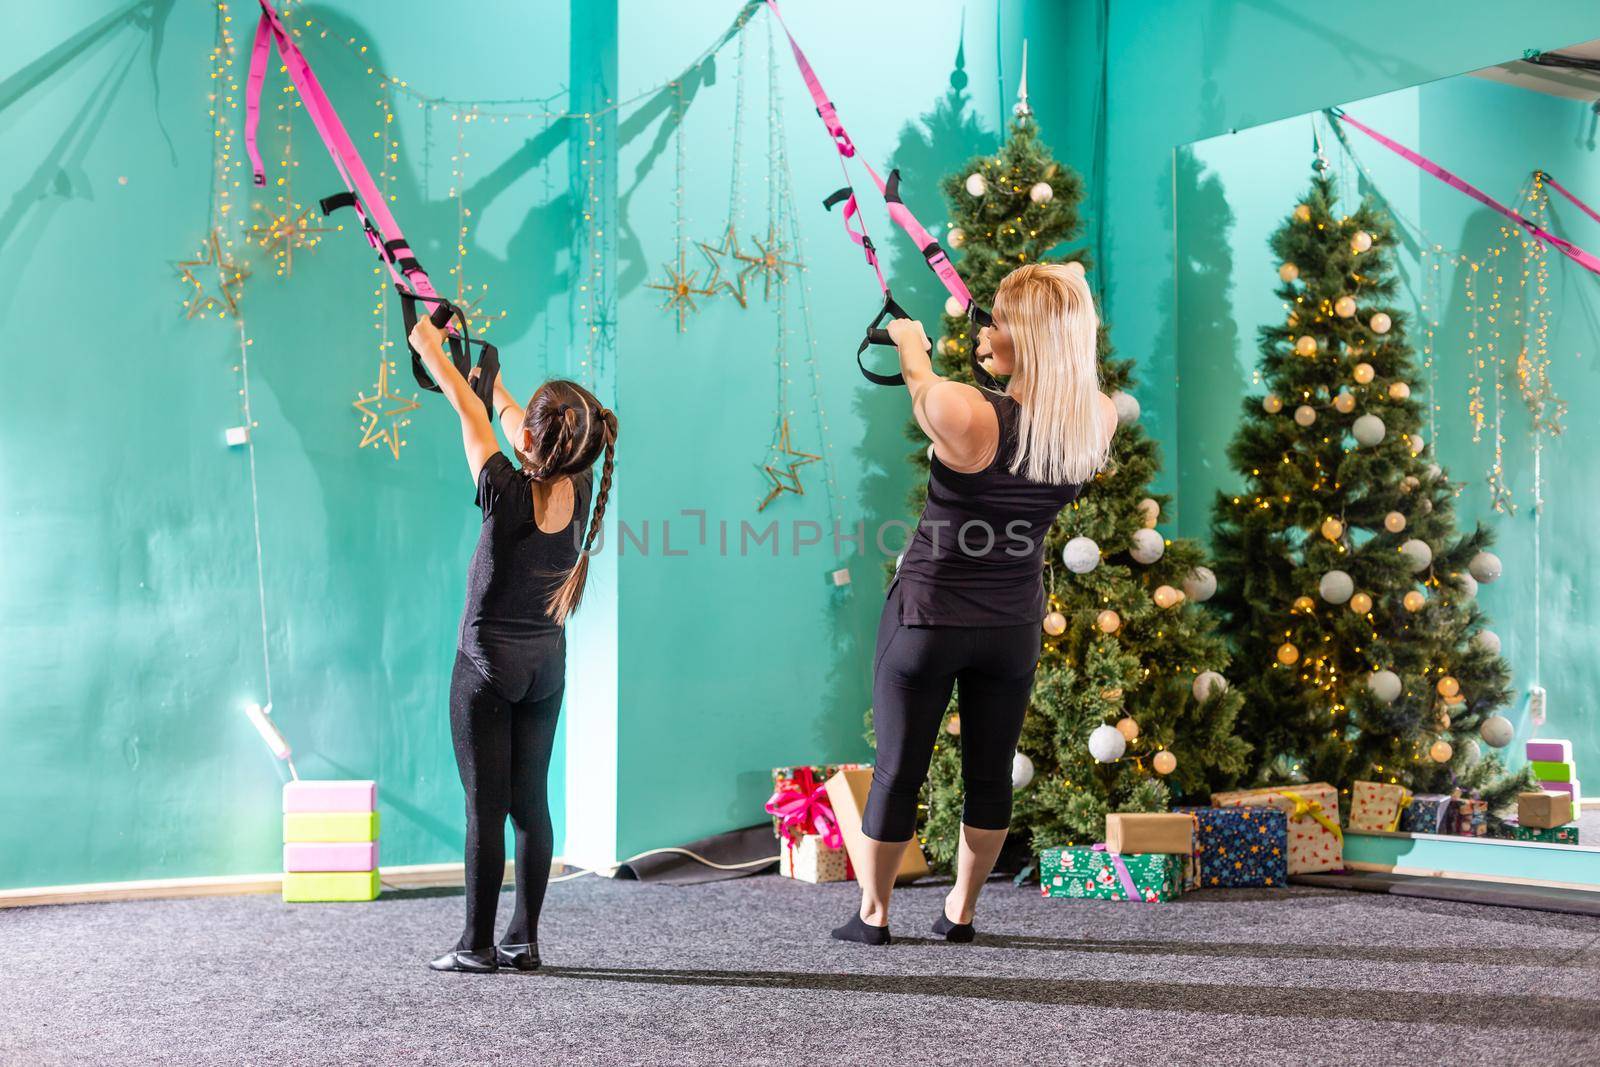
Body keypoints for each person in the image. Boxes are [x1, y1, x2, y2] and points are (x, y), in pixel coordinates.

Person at [832, 262, 1117, 946]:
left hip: (927, 616)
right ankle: (960, 910)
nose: (983, 328)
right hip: (1012, 627)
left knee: (900, 769)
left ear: (1033, 340)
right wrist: (1062, 291)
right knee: (989, 775)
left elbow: (925, 393)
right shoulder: (1094, 419)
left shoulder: (967, 410)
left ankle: (873, 915)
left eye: (998, 322)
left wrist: (910, 345)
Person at [407, 315, 616, 973]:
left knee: (484, 810)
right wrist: (494, 382)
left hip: (487, 669)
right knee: (530, 804)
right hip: (544, 668)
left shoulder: (503, 486)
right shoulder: (579, 483)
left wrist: (430, 345)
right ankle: (523, 938)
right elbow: (515, 417)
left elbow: (466, 407)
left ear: (532, 436)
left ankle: (474, 945)